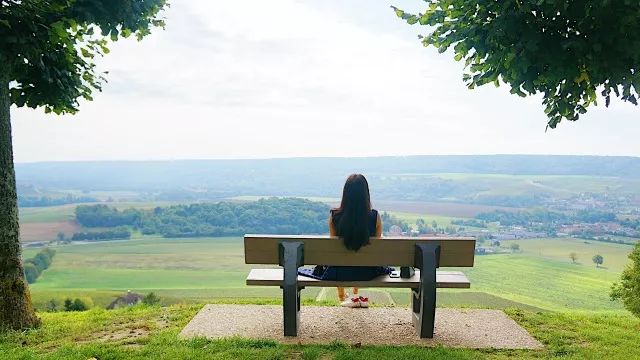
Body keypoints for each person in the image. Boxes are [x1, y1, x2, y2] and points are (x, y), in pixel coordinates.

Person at [300, 173, 390, 308]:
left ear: (345, 194)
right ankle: (354, 294)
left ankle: (342, 296)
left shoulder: (334, 216)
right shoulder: (375, 217)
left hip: (339, 272)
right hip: (368, 272)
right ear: (366, 194)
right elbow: (374, 250)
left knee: (339, 260)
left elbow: (334, 251)